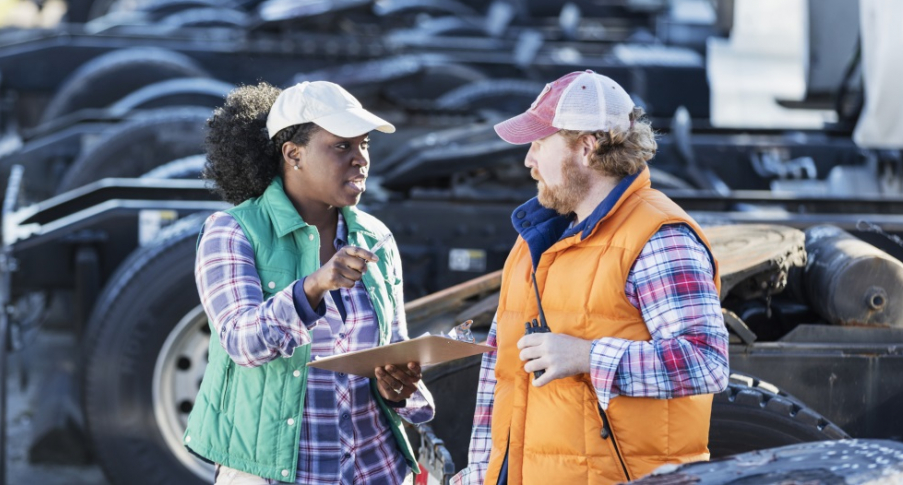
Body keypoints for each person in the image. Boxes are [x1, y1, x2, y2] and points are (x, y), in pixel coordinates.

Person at [450, 71, 730, 485]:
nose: (528, 160)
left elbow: (707, 362)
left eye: (540, 143)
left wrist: (586, 357)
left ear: (586, 147)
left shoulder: (659, 238)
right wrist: (480, 476)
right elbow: (502, 376)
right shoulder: (534, 243)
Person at [183, 81, 434, 485]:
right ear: (292, 154)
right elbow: (241, 343)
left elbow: (394, 349)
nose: (360, 159)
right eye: (341, 146)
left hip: (374, 471)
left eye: (364, 145)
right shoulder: (231, 232)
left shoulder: (375, 237)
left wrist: (397, 389)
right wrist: (312, 287)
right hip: (275, 474)